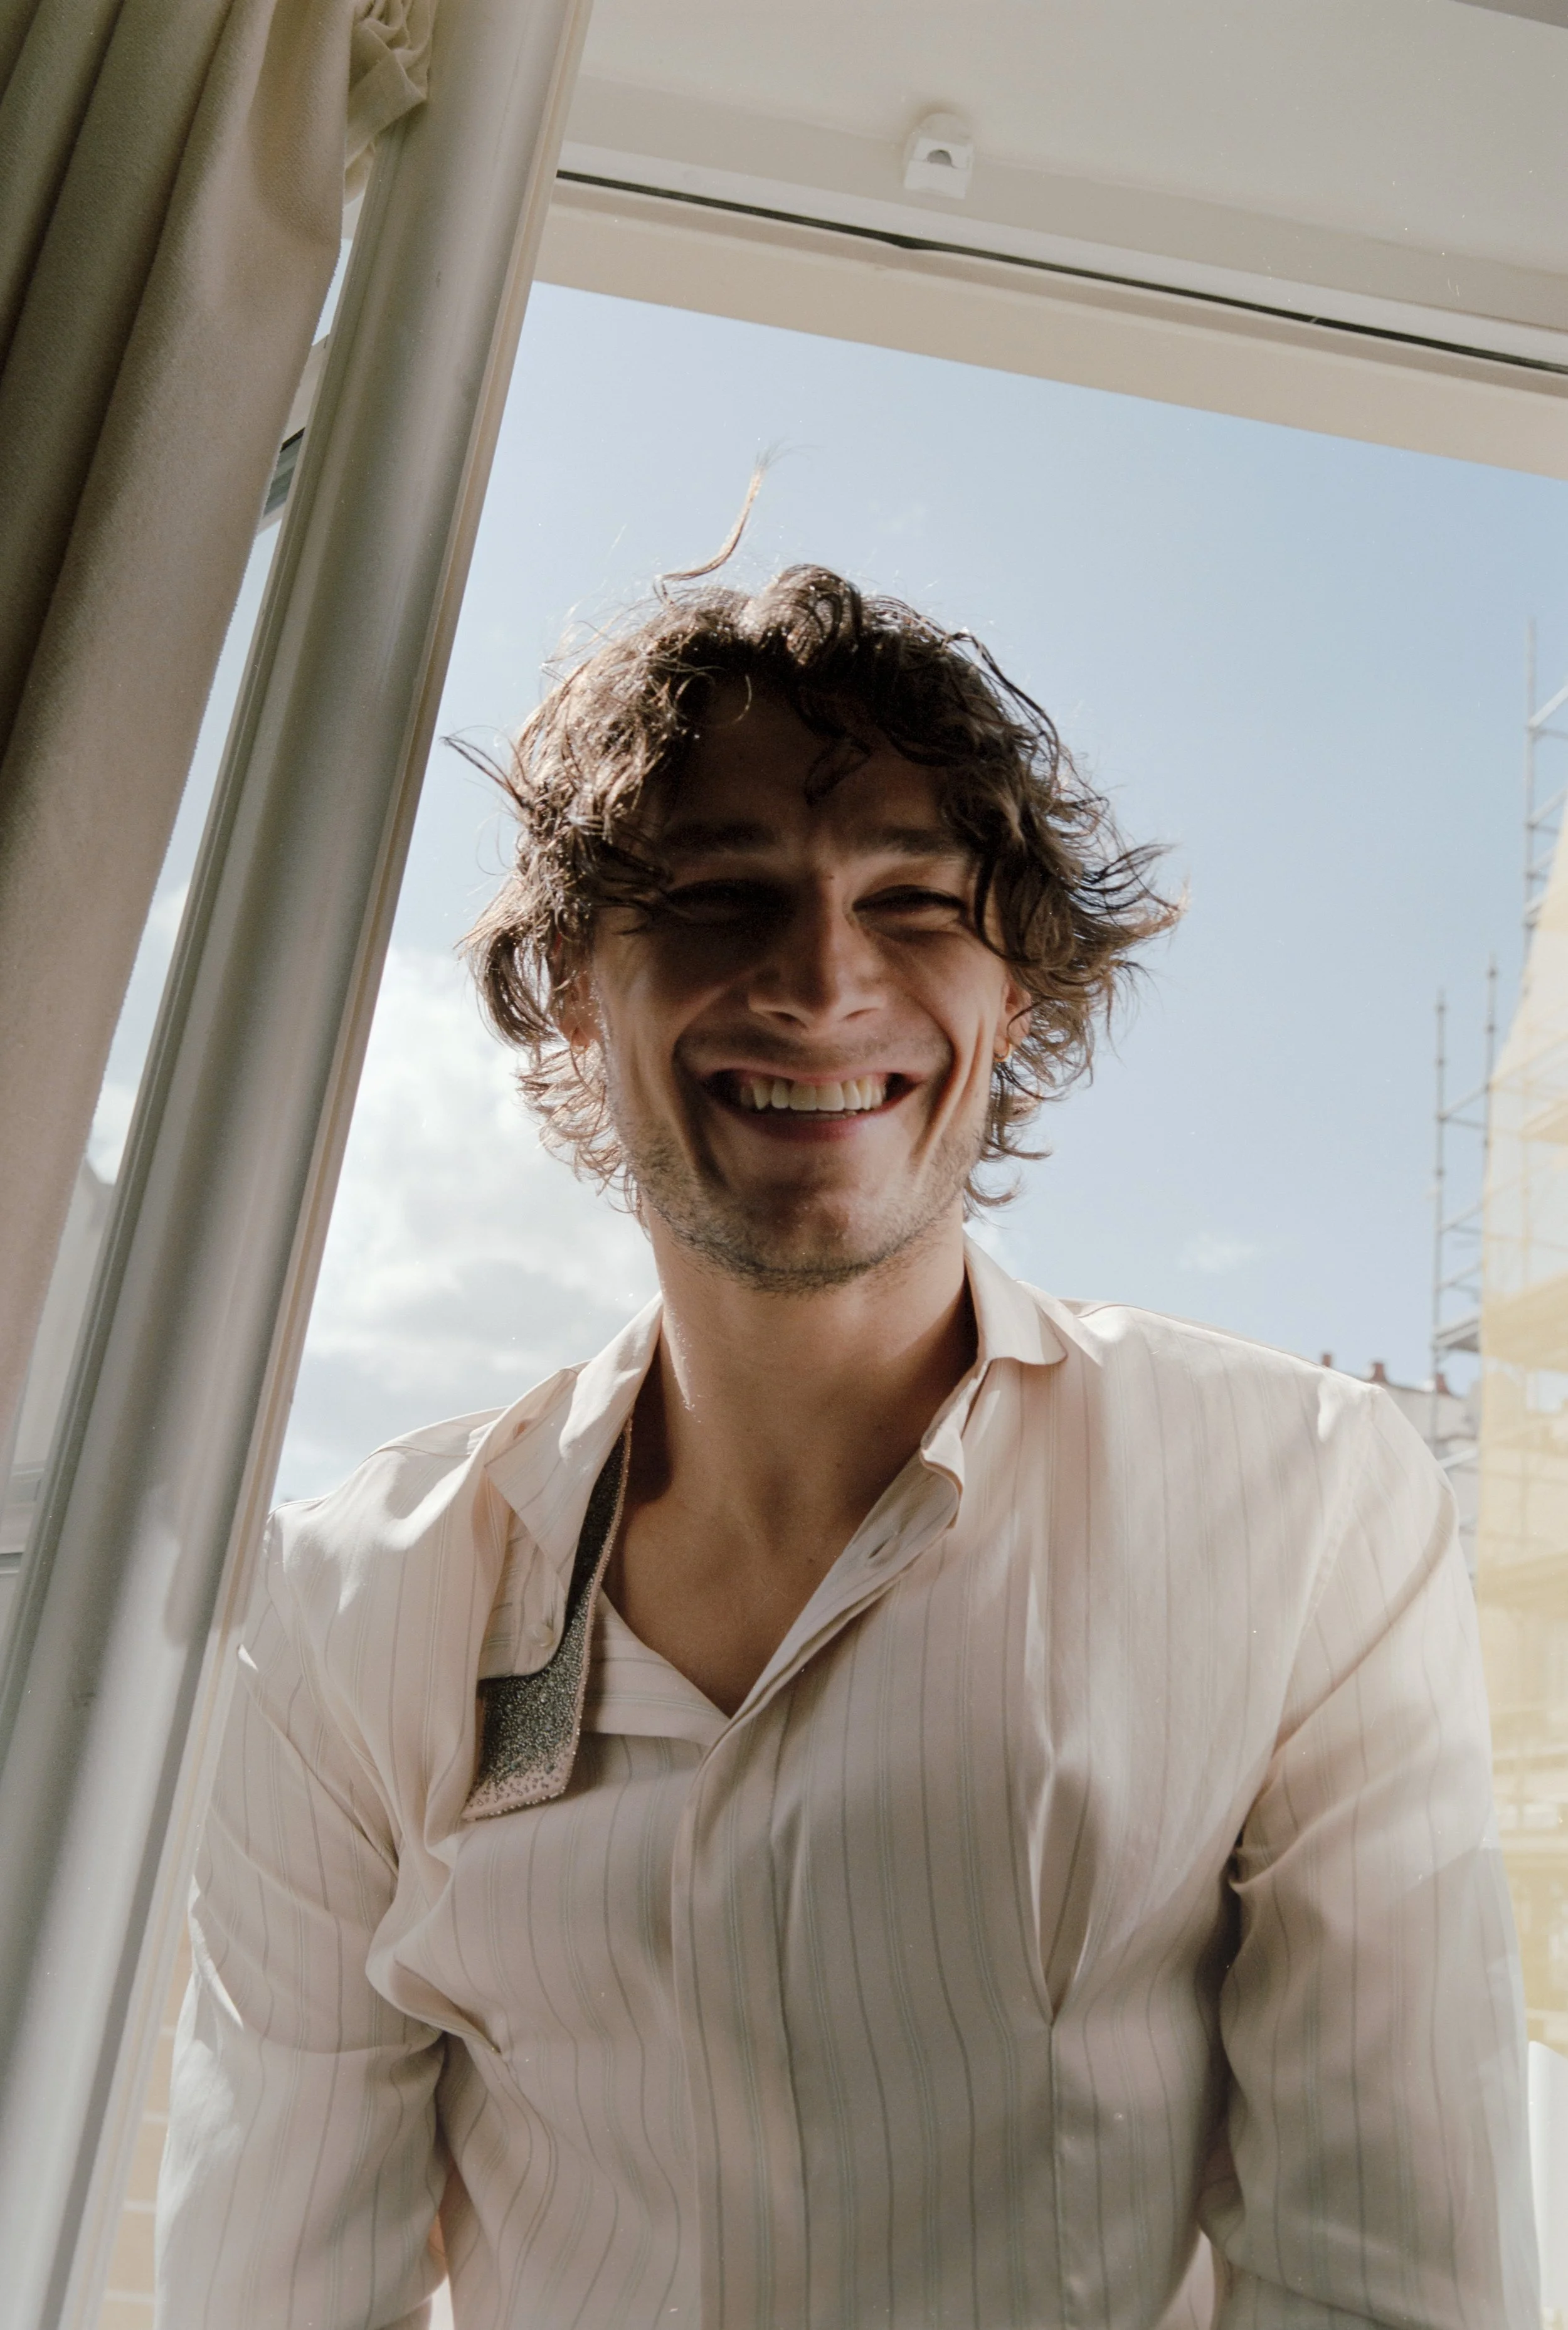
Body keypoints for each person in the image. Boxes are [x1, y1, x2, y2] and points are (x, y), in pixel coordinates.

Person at [156, 564, 1536, 2328]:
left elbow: (1390, 2275)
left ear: (1016, 999)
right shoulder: (353, 1597)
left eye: (910, 901)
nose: (820, 979)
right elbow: (266, 2284)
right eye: (722, 895)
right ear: (579, 990)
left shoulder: (1308, 1503)